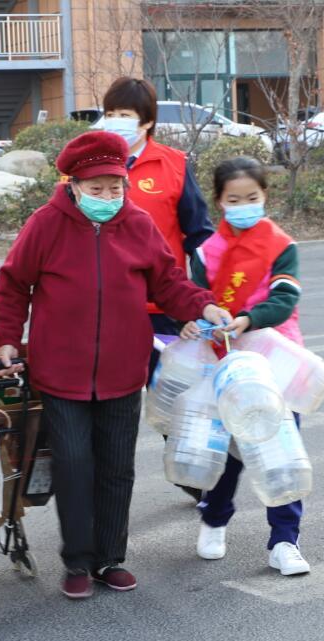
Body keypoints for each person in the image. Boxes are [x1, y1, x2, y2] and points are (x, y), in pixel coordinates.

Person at [0, 131, 231, 599]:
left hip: (123, 370)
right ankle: (77, 562)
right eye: (96, 189)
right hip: (60, 372)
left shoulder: (137, 224)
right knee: (75, 465)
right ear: (73, 185)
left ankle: (109, 558)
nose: (107, 197)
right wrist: (5, 339)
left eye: (115, 188)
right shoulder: (46, 225)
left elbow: (168, 282)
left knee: (117, 467)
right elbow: (13, 284)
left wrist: (203, 306)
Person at [181, 156, 311, 576]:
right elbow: (197, 297)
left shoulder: (280, 245)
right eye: (234, 199)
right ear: (219, 201)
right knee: (228, 453)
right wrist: (198, 319)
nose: (243, 205)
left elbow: (285, 298)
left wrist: (250, 319)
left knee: (279, 449)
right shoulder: (205, 251)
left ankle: (285, 540)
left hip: (275, 358)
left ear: (265, 196)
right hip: (225, 362)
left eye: (252, 197)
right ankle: (215, 519)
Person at [101, 76, 215, 501]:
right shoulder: (89, 168)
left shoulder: (174, 165)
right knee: (114, 409)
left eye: (125, 116)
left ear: (146, 122)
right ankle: (108, 496)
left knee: (176, 401)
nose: (115, 123)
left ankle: (194, 476)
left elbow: (199, 235)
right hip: (109, 310)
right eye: (110, 114)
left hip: (164, 308)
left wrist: (199, 301)